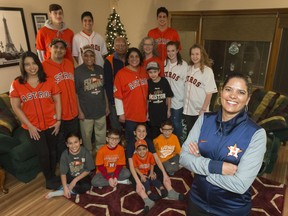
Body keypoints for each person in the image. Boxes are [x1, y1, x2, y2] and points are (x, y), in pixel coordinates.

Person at [180, 73, 267, 216]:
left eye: (240, 92)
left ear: (248, 99)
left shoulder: (256, 134)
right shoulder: (204, 119)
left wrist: (200, 168)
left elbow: (240, 184)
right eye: (229, 89)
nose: (233, 95)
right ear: (221, 92)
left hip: (231, 209)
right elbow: (184, 158)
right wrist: (217, 167)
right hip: (197, 201)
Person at [9, 51, 61, 189]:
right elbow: (16, 107)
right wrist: (29, 126)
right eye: (27, 64)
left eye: (34, 63)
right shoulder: (17, 83)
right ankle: (49, 179)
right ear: (23, 66)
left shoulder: (49, 80)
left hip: (51, 123)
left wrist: (59, 120)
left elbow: (57, 100)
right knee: (43, 154)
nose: (31, 67)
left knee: (53, 151)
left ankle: (53, 176)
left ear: (38, 64)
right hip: (32, 127)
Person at [127, 123, 184, 213]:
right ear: (134, 132)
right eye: (139, 131)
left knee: (161, 170)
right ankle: (147, 200)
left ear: (146, 133)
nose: (141, 133)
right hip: (137, 167)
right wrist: (138, 181)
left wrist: (165, 174)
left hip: (149, 164)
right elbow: (131, 165)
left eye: (143, 131)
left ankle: (171, 191)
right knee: (135, 180)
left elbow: (156, 158)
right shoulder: (130, 144)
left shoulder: (149, 141)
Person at [42, 38, 79, 161]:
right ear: (50, 48)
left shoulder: (69, 63)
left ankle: (76, 165)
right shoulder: (43, 67)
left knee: (74, 142)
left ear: (65, 51)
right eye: (55, 47)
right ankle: (64, 168)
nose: (59, 49)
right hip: (57, 115)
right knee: (60, 144)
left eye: (62, 48)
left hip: (73, 112)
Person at [75, 45, 109, 155]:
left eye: (91, 55)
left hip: (100, 109)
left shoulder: (100, 69)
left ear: (95, 57)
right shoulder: (77, 71)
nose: (89, 58)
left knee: (101, 135)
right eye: (86, 55)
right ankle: (88, 154)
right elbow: (75, 93)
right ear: (82, 56)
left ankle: (101, 154)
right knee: (87, 137)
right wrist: (79, 111)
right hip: (85, 112)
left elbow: (104, 89)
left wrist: (107, 106)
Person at [113, 47, 148, 148]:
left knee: (142, 141)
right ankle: (130, 162)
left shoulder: (144, 71)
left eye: (137, 56)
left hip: (143, 114)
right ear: (127, 59)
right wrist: (121, 114)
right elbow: (117, 95)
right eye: (131, 56)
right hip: (130, 115)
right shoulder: (121, 74)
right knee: (131, 141)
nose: (134, 59)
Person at [45, 132, 95, 200]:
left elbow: (88, 170)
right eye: (70, 143)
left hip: (82, 176)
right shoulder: (64, 155)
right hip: (70, 176)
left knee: (86, 186)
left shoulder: (85, 152)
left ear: (80, 141)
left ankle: (60, 192)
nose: (73, 145)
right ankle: (68, 189)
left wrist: (75, 180)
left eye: (75, 142)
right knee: (49, 183)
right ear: (67, 144)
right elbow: (63, 173)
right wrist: (65, 187)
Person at [183, 44, 218, 134]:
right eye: (192, 54)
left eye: (197, 54)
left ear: (202, 55)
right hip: (188, 109)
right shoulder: (188, 69)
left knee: (198, 135)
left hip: (199, 110)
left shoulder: (207, 71)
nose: (195, 57)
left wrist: (203, 109)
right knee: (189, 134)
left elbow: (209, 93)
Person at [164, 41, 188, 141]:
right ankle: (169, 143)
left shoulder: (183, 65)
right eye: (168, 51)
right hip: (166, 99)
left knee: (176, 124)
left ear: (177, 50)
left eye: (173, 51)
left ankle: (178, 143)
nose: (170, 53)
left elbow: (187, 85)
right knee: (167, 124)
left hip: (178, 100)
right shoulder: (165, 63)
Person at [104, 37, 128, 131]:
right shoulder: (109, 60)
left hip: (128, 98)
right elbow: (108, 82)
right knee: (116, 126)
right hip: (115, 98)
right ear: (114, 46)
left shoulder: (131, 58)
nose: (120, 47)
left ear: (126, 46)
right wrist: (112, 101)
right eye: (118, 45)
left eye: (122, 45)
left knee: (129, 125)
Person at [147, 61, 173, 139]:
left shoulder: (164, 81)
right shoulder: (148, 83)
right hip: (152, 113)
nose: (153, 74)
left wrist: (168, 110)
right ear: (148, 73)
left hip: (162, 112)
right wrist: (147, 112)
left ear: (159, 71)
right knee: (154, 133)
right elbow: (147, 100)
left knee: (163, 132)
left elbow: (168, 96)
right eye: (150, 72)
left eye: (155, 72)